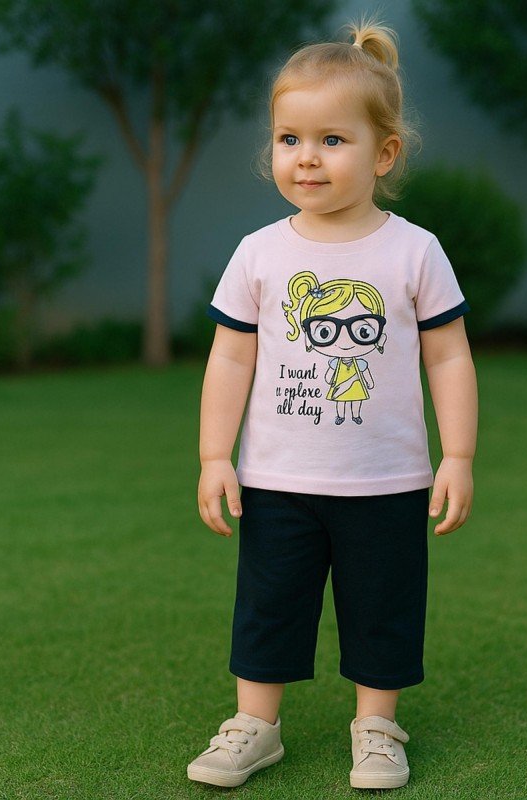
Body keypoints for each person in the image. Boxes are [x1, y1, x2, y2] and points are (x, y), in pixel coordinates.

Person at [187, 15, 478, 791]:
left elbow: (448, 355)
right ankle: (255, 726)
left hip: (387, 481)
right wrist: (215, 456)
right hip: (278, 480)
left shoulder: (414, 251)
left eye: (332, 140)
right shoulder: (259, 253)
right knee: (269, 605)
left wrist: (457, 455)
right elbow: (230, 356)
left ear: (384, 153)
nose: (306, 157)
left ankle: (377, 728)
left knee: (382, 608)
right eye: (289, 138)